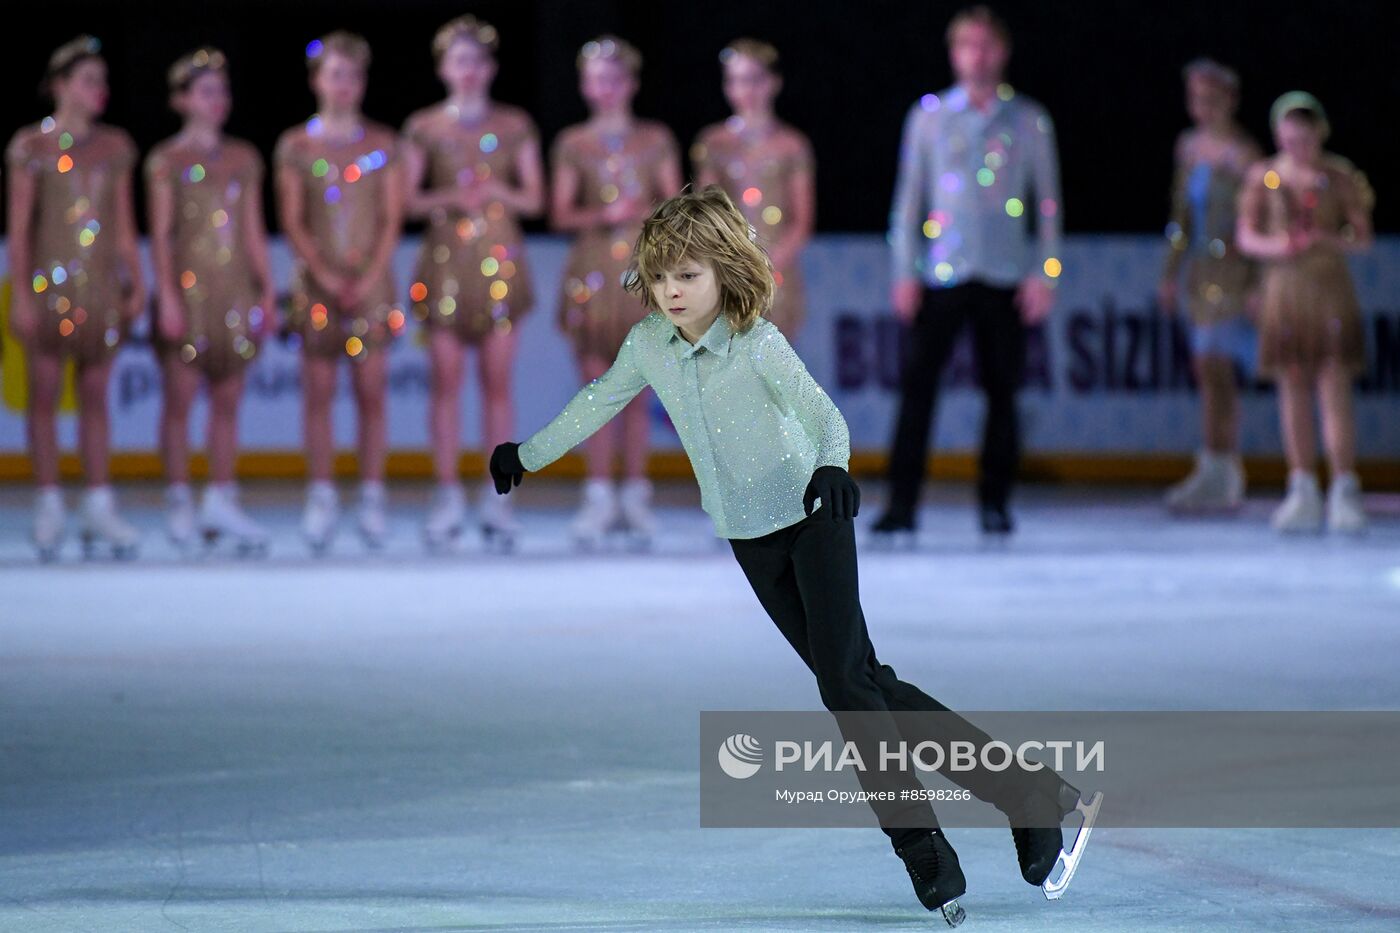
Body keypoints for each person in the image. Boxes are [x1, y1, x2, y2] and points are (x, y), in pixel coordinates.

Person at [488, 187, 1096, 923]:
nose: (672, 291)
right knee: (865, 681)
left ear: (722, 271)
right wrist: (527, 453)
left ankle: (922, 846)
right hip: (748, 534)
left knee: (843, 685)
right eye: (660, 277)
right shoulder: (649, 343)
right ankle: (1027, 792)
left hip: (813, 514)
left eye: (688, 275)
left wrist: (832, 469)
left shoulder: (758, 341)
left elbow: (824, 417)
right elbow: (598, 400)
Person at [875, 6, 1061, 538]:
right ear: (954, 53)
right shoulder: (930, 115)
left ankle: (995, 502)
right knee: (918, 388)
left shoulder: (1028, 119)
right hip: (941, 271)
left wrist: (1045, 273)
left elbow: (1046, 204)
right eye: (966, 46)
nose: (976, 57)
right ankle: (903, 503)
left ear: (1002, 51)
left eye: (985, 45)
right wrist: (904, 271)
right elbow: (909, 200)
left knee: (1003, 391)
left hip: (1004, 273)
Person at [402, 15, 545, 551]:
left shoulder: (514, 125)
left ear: (490, 68)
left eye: (477, 61)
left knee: (498, 384)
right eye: (458, 60)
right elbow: (408, 200)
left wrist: (497, 191)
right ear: (443, 67)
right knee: (444, 382)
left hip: (500, 262)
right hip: (444, 264)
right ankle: (446, 495)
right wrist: (448, 200)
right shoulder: (423, 127)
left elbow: (536, 199)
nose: (468, 70)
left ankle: (498, 496)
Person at [6, 35, 146, 560]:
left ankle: (98, 502)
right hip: (49, 284)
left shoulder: (115, 148)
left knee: (95, 396)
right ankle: (47, 503)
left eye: (102, 81)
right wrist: (21, 293)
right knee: (43, 395)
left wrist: (138, 279)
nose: (99, 90)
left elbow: (126, 225)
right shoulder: (30, 148)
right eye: (88, 80)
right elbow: (20, 229)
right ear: (59, 86)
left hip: (102, 285)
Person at [549, 35, 682, 548]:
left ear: (630, 83)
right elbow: (560, 213)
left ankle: (635, 494)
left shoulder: (655, 139)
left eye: (614, 79)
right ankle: (598, 494)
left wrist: (646, 215)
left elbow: (675, 205)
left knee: (642, 385)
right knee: (597, 389)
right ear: (586, 85)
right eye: (596, 79)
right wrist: (602, 214)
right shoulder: (572, 143)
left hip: (644, 270)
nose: (605, 88)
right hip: (591, 270)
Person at [275, 31, 405, 553]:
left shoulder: (383, 144)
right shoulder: (295, 146)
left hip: (372, 283)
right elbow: (292, 217)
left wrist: (371, 274)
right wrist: (325, 276)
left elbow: (391, 217)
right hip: (315, 284)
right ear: (316, 81)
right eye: (335, 74)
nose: (344, 84)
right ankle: (322, 495)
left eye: (353, 75)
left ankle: (372, 495)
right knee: (319, 393)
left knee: (371, 392)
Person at [146, 48, 276, 553]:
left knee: (228, 401)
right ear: (181, 100)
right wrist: (170, 297)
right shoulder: (166, 160)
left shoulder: (244, 158)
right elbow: (160, 234)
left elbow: (252, 231)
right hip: (188, 290)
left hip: (234, 290)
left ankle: (221, 496)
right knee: (179, 402)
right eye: (206, 91)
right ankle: (179, 498)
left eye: (222, 90)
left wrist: (265, 288)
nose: (217, 100)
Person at [1236, 92, 1374, 534]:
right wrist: (1280, 246)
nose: (1298, 144)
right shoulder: (1264, 177)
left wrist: (1329, 240)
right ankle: (1301, 487)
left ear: (1319, 132)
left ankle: (1344, 487)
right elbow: (1246, 236)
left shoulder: (1339, 177)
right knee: (1292, 382)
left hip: (1328, 285)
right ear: (1280, 134)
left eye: (1306, 135)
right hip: (1284, 287)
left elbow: (1362, 236)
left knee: (1333, 383)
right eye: (1290, 136)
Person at [1158, 59, 1261, 513]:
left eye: (1210, 97)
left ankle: (1229, 466)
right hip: (1201, 270)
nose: (1201, 106)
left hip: (1236, 270)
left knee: (1223, 371)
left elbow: (1260, 220)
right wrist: (1169, 273)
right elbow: (1180, 219)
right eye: (1194, 97)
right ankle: (1214, 465)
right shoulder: (1187, 147)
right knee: (1206, 370)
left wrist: (1259, 281)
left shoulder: (1247, 156)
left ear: (1230, 100)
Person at [692, 37, 814, 336]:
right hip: (726, 275)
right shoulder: (713, 142)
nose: (746, 90)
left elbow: (802, 220)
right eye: (736, 81)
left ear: (773, 83)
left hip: (777, 275)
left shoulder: (791, 145)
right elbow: (705, 211)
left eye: (754, 80)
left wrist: (769, 265)